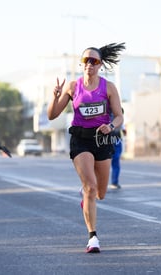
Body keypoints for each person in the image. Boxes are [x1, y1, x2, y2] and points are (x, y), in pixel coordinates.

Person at [47, 42, 125, 253]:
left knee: (100, 193)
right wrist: (55, 97)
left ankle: (86, 198)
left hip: (102, 140)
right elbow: (52, 115)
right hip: (80, 140)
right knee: (90, 188)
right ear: (81, 64)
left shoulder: (108, 87)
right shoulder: (73, 87)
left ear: (100, 65)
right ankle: (93, 238)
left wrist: (110, 126)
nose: (89, 64)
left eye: (94, 61)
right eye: (85, 61)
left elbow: (119, 116)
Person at [110, 108, 126, 189]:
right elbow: (124, 130)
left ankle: (113, 182)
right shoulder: (119, 116)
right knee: (115, 162)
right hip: (115, 139)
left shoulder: (107, 113)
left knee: (102, 162)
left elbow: (123, 130)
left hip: (108, 139)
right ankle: (114, 182)